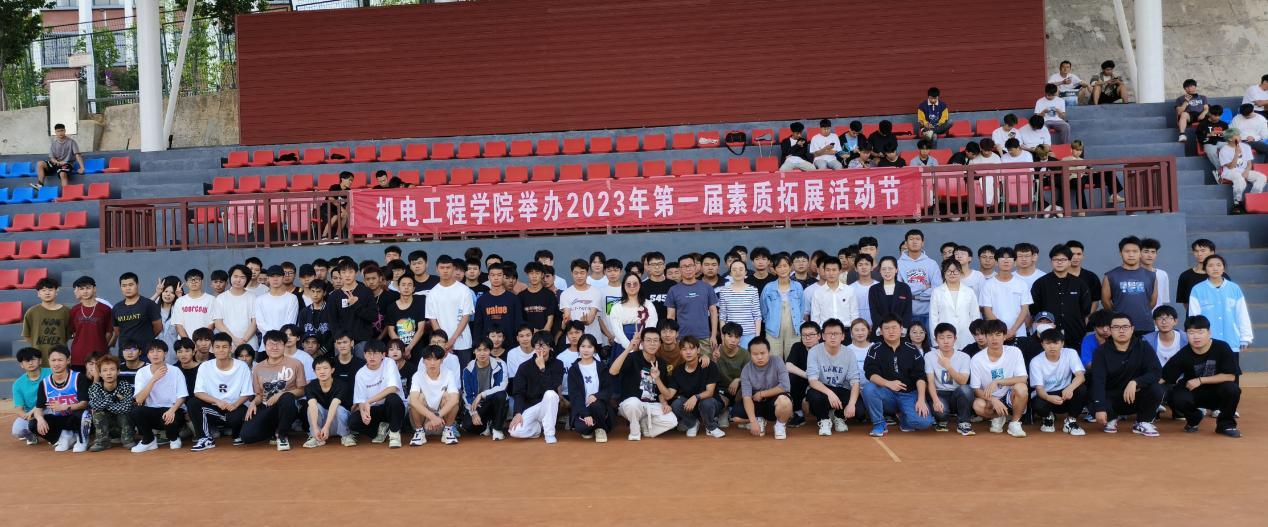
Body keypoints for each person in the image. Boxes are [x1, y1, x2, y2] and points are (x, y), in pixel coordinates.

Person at [1163, 316, 1242, 438]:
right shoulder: (1184, 354)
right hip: (1194, 392)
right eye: (1191, 333)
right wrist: (1139, 382)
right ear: (1186, 334)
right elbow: (1165, 376)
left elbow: (1231, 376)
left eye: (1200, 332)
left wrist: (1200, 380)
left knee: (1233, 389)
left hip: (1217, 391)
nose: (1196, 337)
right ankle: (1194, 418)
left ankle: (1225, 425)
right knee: (1175, 396)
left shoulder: (1222, 347)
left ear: (1209, 333)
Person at [1090, 313, 1165, 436]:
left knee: (1156, 389)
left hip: (1135, 397)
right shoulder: (1101, 352)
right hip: (1111, 399)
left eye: (1125, 327)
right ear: (1110, 330)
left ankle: (1143, 422)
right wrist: (1100, 408)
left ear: (1132, 329)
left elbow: (1156, 372)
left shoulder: (1143, 347)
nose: (1121, 330)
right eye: (1116, 327)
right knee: (1092, 394)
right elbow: (1098, 381)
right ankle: (1111, 419)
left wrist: (1136, 382)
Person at [861, 315, 934, 436]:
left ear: (901, 329)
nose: (891, 331)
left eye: (894, 328)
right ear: (881, 331)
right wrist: (888, 383)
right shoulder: (875, 349)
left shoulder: (912, 349)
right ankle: (879, 424)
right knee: (869, 388)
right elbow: (870, 373)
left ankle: (904, 418)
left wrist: (921, 400)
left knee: (924, 423)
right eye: (887, 328)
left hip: (909, 394)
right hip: (886, 393)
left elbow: (920, 377)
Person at [239, 330, 306, 450]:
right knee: (247, 436)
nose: (275, 347)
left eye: (279, 344)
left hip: (288, 405)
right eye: (271, 344)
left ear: (284, 346)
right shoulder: (258, 368)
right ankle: (274, 430)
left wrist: (280, 395)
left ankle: (282, 435)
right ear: (265, 346)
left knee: (287, 398)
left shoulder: (295, 364)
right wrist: (253, 403)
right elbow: (259, 395)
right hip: (266, 406)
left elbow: (302, 390)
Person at [188, 333, 253, 451]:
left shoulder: (242, 366)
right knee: (193, 403)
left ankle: (237, 434)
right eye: (217, 347)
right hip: (214, 408)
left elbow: (247, 393)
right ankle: (205, 438)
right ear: (212, 349)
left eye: (224, 347)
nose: (221, 350)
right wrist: (217, 401)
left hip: (235, 407)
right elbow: (198, 392)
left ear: (231, 348)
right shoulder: (205, 366)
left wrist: (235, 405)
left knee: (239, 419)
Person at [609, 328, 677, 440]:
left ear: (660, 343)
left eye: (655, 340)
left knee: (672, 421)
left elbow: (661, 392)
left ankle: (644, 426)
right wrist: (629, 348)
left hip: (651, 405)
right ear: (642, 342)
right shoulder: (632, 358)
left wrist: (664, 403)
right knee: (633, 403)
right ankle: (635, 431)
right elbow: (613, 371)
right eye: (648, 340)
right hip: (630, 404)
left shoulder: (661, 363)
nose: (652, 344)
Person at [967, 319, 1029, 438]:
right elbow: (976, 389)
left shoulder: (1014, 352)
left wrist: (998, 381)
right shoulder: (976, 359)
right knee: (977, 405)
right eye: (990, 335)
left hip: (1009, 395)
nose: (994, 338)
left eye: (998, 334)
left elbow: (1023, 378)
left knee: (1021, 388)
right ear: (986, 337)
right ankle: (998, 417)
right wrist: (993, 400)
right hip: (990, 399)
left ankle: (1015, 422)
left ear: (1005, 336)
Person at [804, 319, 861, 436]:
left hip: (841, 389)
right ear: (823, 336)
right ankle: (824, 419)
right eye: (829, 333)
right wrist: (830, 393)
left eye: (837, 333)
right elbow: (813, 380)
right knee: (814, 396)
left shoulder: (849, 353)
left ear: (843, 336)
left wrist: (851, 404)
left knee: (859, 409)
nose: (833, 337)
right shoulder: (814, 351)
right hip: (822, 389)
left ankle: (839, 416)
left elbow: (855, 381)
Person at [128, 340, 188, 452]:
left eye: (159, 351)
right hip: (153, 411)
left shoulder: (175, 371)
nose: (155, 354)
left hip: (173, 410)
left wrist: (172, 410)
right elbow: (139, 399)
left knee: (171, 419)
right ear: (147, 355)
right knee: (136, 411)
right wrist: (154, 379)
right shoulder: (142, 372)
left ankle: (174, 438)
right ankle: (149, 440)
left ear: (165, 353)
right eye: (151, 351)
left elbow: (182, 396)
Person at [29, 346, 91, 451]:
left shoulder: (78, 377)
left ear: (68, 360)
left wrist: (65, 407)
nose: (56, 363)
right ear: (49, 361)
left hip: (77, 418)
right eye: (53, 360)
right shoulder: (44, 383)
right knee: (33, 424)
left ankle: (82, 439)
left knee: (82, 414)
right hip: (59, 419)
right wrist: (40, 419)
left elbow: (84, 403)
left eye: (60, 360)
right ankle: (63, 437)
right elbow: (39, 408)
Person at [1188, 254, 1253, 352]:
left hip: (1231, 340)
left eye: (1219, 265)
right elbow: (1194, 317)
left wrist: (1246, 337)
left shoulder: (1234, 288)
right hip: (1207, 342)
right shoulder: (1197, 290)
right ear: (1205, 269)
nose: (1215, 268)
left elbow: (1242, 314)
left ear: (1224, 268)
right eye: (1210, 265)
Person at [509, 331, 565, 443]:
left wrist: (542, 369)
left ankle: (549, 434)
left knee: (551, 394)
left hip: (548, 406)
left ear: (550, 346)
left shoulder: (558, 364)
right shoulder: (524, 367)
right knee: (515, 431)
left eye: (544, 345)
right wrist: (518, 413)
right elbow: (518, 392)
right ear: (534, 347)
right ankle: (538, 428)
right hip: (530, 407)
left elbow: (552, 386)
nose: (541, 348)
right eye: (538, 345)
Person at [1028, 329, 1087, 436]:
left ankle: (1070, 420)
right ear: (1042, 344)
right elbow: (1039, 388)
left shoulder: (1070, 353)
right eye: (1048, 343)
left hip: (1065, 394)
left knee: (1081, 389)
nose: (1052, 346)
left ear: (1062, 343)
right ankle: (1048, 417)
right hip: (1047, 395)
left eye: (1056, 343)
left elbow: (1080, 376)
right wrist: (1048, 398)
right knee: (1038, 403)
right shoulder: (1036, 361)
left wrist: (1070, 388)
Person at [665, 337, 726, 438]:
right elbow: (669, 394)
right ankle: (693, 423)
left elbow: (710, 392)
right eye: (684, 349)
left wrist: (695, 397)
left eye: (691, 348)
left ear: (698, 350)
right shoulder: (678, 371)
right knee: (676, 404)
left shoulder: (709, 365)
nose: (688, 352)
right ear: (680, 352)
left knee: (706, 402)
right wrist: (657, 378)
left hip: (711, 404)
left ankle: (711, 427)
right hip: (691, 406)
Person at [350, 340, 406, 448]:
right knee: (353, 421)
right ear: (364, 355)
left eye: (375, 353)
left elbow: (393, 388)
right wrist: (363, 413)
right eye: (369, 353)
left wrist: (369, 401)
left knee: (393, 398)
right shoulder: (360, 374)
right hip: (374, 409)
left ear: (383, 355)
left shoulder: (389, 363)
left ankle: (394, 434)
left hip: (392, 407)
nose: (372, 357)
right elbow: (360, 400)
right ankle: (380, 430)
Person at [737, 337, 793, 440]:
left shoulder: (777, 361)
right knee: (736, 417)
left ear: (769, 352)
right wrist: (753, 421)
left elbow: (785, 386)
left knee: (785, 401)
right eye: (755, 354)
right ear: (750, 354)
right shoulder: (746, 370)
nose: (759, 357)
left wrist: (762, 394)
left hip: (774, 400)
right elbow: (747, 397)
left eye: (763, 353)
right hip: (756, 402)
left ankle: (780, 425)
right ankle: (759, 419)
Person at [1101, 236, 1158, 335]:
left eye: (1135, 251)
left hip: (1145, 326)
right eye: (1127, 251)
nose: (1131, 255)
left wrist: (1142, 311)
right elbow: (1105, 302)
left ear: (1140, 253)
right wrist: (1117, 314)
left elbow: (1152, 302)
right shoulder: (1110, 276)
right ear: (1120, 253)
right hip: (1120, 328)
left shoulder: (1151, 275)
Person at [426, 255, 476, 365]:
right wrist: (442, 341)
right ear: (437, 269)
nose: (445, 271)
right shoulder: (432, 293)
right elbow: (433, 319)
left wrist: (452, 340)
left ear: (453, 269)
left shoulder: (464, 290)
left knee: (463, 373)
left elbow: (466, 317)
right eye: (442, 268)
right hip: (441, 346)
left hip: (463, 343)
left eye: (448, 267)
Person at [925, 324, 974, 435]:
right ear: (936, 340)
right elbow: (930, 382)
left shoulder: (964, 357)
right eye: (941, 338)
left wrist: (948, 366)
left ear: (955, 339)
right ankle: (941, 420)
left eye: (949, 337)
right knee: (941, 413)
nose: (946, 341)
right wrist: (936, 401)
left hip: (957, 394)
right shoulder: (929, 356)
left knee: (966, 389)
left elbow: (963, 381)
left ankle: (964, 423)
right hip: (939, 393)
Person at [408, 345, 462, 446]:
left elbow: (455, 399)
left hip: (441, 420)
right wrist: (432, 417)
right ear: (423, 361)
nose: (432, 363)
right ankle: (419, 432)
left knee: (449, 397)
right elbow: (413, 401)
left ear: (442, 360)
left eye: (436, 359)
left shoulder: (449, 374)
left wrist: (437, 416)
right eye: (429, 359)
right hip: (424, 420)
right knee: (419, 398)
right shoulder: (417, 376)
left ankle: (448, 431)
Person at [666, 254, 719, 353]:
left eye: (690, 265)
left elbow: (713, 312)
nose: (688, 269)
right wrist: (673, 338)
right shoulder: (673, 290)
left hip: (704, 338)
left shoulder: (707, 287)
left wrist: (713, 335)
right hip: (682, 338)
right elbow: (671, 317)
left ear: (695, 267)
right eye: (684, 266)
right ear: (680, 269)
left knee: (706, 362)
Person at [460, 337, 509, 441]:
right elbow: (467, 394)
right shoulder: (467, 370)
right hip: (479, 405)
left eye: (485, 350)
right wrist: (473, 413)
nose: (482, 353)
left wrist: (482, 394)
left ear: (490, 351)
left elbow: (502, 386)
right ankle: (486, 425)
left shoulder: (500, 364)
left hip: (494, 401)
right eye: (479, 350)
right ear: (474, 351)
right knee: (467, 425)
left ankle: (497, 428)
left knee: (501, 395)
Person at [567, 334, 613, 442]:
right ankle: (594, 425)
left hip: (599, 407)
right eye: (583, 346)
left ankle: (600, 428)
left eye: (590, 347)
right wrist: (585, 414)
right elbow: (575, 396)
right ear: (578, 348)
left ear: (595, 349)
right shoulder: (573, 370)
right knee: (582, 427)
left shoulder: (602, 367)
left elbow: (608, 389)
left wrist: (596, 396)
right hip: (582, 408)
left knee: (596, 405)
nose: (586, 350)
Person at [980, 247, 1033, 340]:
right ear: (996, 262)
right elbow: (987, 311)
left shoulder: (1021, 284)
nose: (1006, 261)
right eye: (1002, 258)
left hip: (1019, 333)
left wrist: (1013, 330)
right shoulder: (988, 284)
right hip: (996, 335)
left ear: (1015, 262)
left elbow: (1024, 310)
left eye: (1009, 258)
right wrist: (1003, 331)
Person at [330, 260, 379, 359]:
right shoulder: (334, 296)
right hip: (342, 342)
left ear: (356, 273)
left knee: (363, 367)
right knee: (342, 367)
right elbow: (332, 321)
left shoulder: (366, 292)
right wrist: (339, 339)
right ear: (340, 274)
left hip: (362, 341)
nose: (347, 275)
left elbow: (373, 316)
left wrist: (356, 305)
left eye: (350, 272)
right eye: (344, 272)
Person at [928, 260, 981, 351]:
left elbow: (975, 316)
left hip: (967, 336)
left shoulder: (969, 291)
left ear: (960, 272)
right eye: (948, 271)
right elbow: (933, 318)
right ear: (944, 273)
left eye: (955, 271)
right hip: (945, 337)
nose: (952, 274)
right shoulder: (937, 292)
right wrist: (936, 341)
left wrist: (976, 335)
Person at [84, 353, 133, 452]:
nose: (109, 373)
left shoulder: (125, 385)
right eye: (105, 370)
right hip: (105, 427)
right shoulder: (95, 387)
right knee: (98, 413)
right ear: (100, 374)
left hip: (122, 425)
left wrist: (104, 405)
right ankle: (102, 442)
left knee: (125, 413)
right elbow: (94, 405)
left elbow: (127, 407)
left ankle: (128, 440)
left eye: (112, 369)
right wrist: (114, 398)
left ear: (118, 372)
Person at [304, 355, 355, 448]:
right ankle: (316, 437)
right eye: (318, 369)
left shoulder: (342, 385)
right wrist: (315, 428)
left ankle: (346, 435)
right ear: (314, 372)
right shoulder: (310, 387)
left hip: (337, 424)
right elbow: (312, 406)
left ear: (332, 370)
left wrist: (326, 427)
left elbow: (334, 404)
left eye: (325, 368)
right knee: (311, 407)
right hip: (321, 426)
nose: (322, 371)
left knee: (339, 408)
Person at [760, 254, 805, 360]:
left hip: (794, 329)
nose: (782, 269)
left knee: (792, 359)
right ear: (775, 270)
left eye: (785, 266)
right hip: (773, 330)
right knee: (774, 359)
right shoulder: (769, 287)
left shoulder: (797, 286)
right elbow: (763, 309)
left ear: (790, 267)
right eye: (779, 267)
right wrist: (770, 321)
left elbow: (801, 307)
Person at [560, 259, 612, 348]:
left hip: (593, 339)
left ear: (587, 273)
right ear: (571, 273)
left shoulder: (596, 292)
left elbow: (591, 317)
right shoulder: (565, 294)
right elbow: (567, 316)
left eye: (582, 273)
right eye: (576, 273)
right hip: (573, 341)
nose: (579, 276)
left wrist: (587, 321)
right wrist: (566, 321)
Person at [1216, 128, 1267, 214]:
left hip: (1243, 170)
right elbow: (1231, 167)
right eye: (1237, 135)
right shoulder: (1224, 150)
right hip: (1229, 172)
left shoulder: (1246, 147)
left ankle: (1251, 199)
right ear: (1230, 139)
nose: (1240, 137)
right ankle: (1237, 203)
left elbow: (1249, 163)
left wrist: (1246, 172)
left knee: (1262, 177)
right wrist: (1236, 154)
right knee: (1239, 179)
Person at [68, 276, 114, 371]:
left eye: (88, 288)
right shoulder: (74, 310)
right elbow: (74, 332)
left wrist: (99, 344)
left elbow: (109, 333)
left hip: (99, 357)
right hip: (78, 357)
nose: (85, 291)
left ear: (94, 289)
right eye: (82, 289)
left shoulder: (105, 309)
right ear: (78, 291)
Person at [897, 230, 941, 329]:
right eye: (911, 239)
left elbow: (937, 290)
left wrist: (915, 296)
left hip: (928, 313)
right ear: (906, 243)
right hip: (905, 314)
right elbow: (900, 290)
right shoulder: (898, 264)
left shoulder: (932, 264)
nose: (914, 242)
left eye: (917, 239)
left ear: (922, 243)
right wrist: (924, 287)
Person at [115, 272, 165, 358]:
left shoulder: (148, 304)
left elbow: (158, 327)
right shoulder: (117, 308)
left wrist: (147, 338)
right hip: (125, 354)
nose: (127, 288)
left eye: (131, 285)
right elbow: (117, 331)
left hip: (145, 353)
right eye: (124, 286)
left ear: (137, 285)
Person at [22, 278, 70, 366]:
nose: (47, 293)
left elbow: (68, 334)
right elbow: (27, 335)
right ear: (38, 293)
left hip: (60, 358)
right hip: (39, 357)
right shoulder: (31, 312)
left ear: (56, 291)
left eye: (50, 290)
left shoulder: (66, 311)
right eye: (43, 290)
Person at [607, 272, 658, 355]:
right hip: (622, 344)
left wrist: (641, 345)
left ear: (640, 285)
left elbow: (651, 324)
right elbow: (617, 329)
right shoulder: (617, 307)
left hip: (644, 343)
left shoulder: (648, 304)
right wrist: (629, 347)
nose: (632, 286)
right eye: (628, 284)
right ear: (623, 286)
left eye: (635, 284)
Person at [717, 260, 762, 348]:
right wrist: (723, 336)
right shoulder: (724, 291)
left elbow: (757, 315)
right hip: (730, 335)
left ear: (745, 272)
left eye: (741, 269)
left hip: (749, 335)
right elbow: (722, 316)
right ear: (730, 273)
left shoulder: (753, 290)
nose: (738, 272)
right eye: (734, 270)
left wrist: (757, 337)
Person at [473, 263, 523, 342]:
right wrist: (477, 343)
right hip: (488, 345)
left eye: (499, 275)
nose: (496, 278)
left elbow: (518, 323)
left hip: (510, 344)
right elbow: (478, 326)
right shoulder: (482, 300)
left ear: (503, 277)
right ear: (488, 277)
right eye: (492, 275)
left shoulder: (513, 299)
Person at [211, 266, 256, 350]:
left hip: (250, 344)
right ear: (230, 277)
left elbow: (255, 322)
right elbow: (218, 323)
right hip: (227, 344)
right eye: (235, 276)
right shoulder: (221, 298)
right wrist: (234, 340)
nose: (238, 280)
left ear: (247, 280)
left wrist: (244, 341)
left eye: (242, 277)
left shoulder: (253, 297)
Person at [12, 348, 50, 444]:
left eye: (33, 359)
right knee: (17, 431)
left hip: (49, 408)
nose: (30, 363)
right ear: (21, 365)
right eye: (26, 361)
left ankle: (54, 434)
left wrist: (36, 410)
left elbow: (52, 396)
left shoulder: (50, 373)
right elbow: (19, 409)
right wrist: (27, 417)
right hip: (30, 414)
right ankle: (33, 435)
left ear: (40, 361)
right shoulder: (18, 384)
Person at [31, 123, 85, 190]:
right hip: (56, 163)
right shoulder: (54, 143)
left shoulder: (72, 142)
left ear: (65, 131)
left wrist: (82, 168)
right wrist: (56, 162)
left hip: (66, 164)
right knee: (40, 163)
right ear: (55, 132)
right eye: (58, 131)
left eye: (62, 130)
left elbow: (77, 155)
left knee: (62, 173)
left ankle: (66, 193)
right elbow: (52, 158)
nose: (60, 133)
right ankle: (40, 185)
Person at [870, 256, 913, 332]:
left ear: (896, 270)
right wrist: (884, 328)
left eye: (890, 268)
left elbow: (908, 312)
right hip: (881, 331)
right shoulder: (874, 289)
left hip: (901, 331)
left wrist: (901, 328)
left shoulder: (905, 288)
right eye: (883, 269)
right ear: (880, 271)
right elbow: (874, 313)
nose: (887, 271)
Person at [253, 266, 300, 335]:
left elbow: (290, 322)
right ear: (267, 279)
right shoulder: (259, 300)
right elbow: (260, 324)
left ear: (283, 278)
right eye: (272, 276)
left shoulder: (292, 298)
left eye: (278, 276)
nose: (275, 279)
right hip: (266, 339)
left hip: (285, 339)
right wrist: (273, 336)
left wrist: (280, 336)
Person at [172, 269, 215, 340]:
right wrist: (188, 343)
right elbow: (178, 325)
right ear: (186, 283)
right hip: (186, 344)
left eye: (197, 279)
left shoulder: (211, 300)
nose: (193, 282)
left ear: (202, 282)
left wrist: (202, 341)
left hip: (205, 342)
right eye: (190, 279)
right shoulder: (180, 301)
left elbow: (213, 323)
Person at [1176, 239, 1219, 309]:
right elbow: (1185, 302)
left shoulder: (1220, 275)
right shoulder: (1185, 276)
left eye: (1203, 251)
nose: (1199, 254)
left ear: (1212, 252)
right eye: (1196, 251)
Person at [519, 262, 558, 333]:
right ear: (527, 274)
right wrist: (531, 332)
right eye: (531, 273)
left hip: (546, 336)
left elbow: (550, 319)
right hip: (528, 336)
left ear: (542, 275)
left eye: (537, 273)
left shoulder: (549, 295)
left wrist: (544, 334)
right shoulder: (521, 296)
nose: (534, 276)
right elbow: (520, 320)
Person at [1174, 79, 1210, 143]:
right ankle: (1182, 135)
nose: (1189, 88)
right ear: (1184, 89)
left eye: (1191, 86)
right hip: (1189, 116)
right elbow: (1179, 112)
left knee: (1210, 116)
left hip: (1200, 114)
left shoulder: (1203, 97)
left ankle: (1208, 136)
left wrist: (1203, 114)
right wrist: (1186, 101)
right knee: (1184, 114)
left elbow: (1206, 108)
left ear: (1195, 87)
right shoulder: (1180, 99)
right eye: (1187, 87)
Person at [1139, 238, 1169, 310]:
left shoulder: (1162, 274)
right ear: (1139, 253)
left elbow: (1163, 300)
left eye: (1153, 252)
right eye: (1146, 252)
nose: (1150, 255)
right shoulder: (1132, 274)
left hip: (1157, 315)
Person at [1197, 105, 1230, 170]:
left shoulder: (1224, 124)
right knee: (1211, 152)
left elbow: (1229, 137)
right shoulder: (1203, 124)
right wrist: (1208, 134)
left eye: (1219, 115)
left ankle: (1231, 167)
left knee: (1231, 148)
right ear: (1210, 114)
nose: (1217, 117)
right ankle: (1220, 169)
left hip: (1222, 142)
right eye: (1215, 115)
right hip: (1209, 143)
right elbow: (1199, 138)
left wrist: (1226, 134)